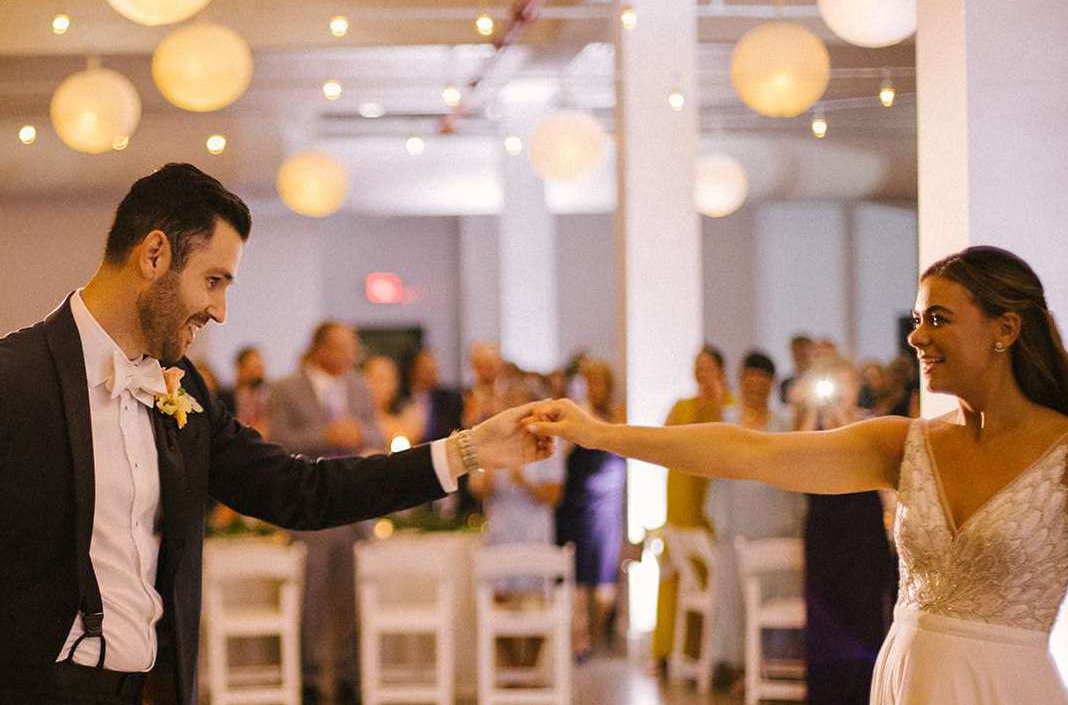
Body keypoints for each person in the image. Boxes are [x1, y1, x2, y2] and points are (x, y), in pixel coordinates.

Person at [0, 163, 548, 705]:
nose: (219, 310)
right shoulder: (15, 379)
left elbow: (300, 491)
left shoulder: (181, 384)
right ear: (154, 255)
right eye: (212, 281)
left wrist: (465, 450)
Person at [528, 246, 1068, 704]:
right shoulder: (904, 444)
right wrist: (601, 433)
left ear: (1006, 329)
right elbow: (746, 452)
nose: (917, 337)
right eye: (917, 320)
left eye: (937, 320)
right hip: (907, 681)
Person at [266, 322, 384, 703]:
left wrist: (359, 433)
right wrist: (327, 435)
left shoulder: (359, 386)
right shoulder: (286, 388)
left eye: (353, 348)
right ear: (320, 348)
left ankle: (350, 676)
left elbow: (376, 434)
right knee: (312, 597)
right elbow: (279, 441)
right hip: (310, 508)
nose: (350, 356)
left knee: (352, 596)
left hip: (353, 508)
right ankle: (311, 679)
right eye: (342, 347)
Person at [796, 361, 897, 704]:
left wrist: (843, 418)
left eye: (845, 381)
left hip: (862, 535)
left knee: (865, 616)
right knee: (824, 619)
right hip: (825, 535)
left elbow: (866, 460)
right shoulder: (812, 424)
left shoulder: (870, 422)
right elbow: (800, 463)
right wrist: (815, 412)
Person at [703, 351, 805, 689]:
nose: (755, 391)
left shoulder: (785, 423)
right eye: (750, 384)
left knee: (774, 598)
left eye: (762, 385)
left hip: (777, 529)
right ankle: (732, 665)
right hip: (736, 528)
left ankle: (771, 666)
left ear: (771, 385)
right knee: (732, 601)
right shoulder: (727, 421)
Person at [652, 344, 734, 668]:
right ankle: (667, 650)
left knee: (712, 572)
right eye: (697, 366)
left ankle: (708, 651)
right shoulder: (681, 406)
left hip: (708, 498)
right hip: (680, 497)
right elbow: (663, 441)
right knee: (675, 573)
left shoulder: (729, 406)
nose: (701, 372)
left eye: (708, 366)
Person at [554, 357, 627, 659]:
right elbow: (563, 455)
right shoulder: (577, 413)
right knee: (578, 575)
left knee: (604, 577)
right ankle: (580, 639)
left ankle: (598, 635)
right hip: (577, 502)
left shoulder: (617, 416)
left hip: (606, 506)